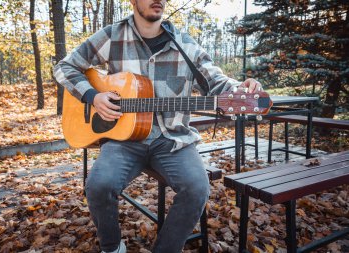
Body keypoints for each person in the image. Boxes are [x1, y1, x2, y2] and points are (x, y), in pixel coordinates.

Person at [54, 0, 263, 252]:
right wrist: (92, 96)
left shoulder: (185, 44)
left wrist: (239, 89)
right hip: (124, 140)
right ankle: (111, 247)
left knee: (197, 189)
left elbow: (216, 80)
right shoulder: (112, 36)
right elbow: (64, 67)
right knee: (98, 185)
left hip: (172, 140)